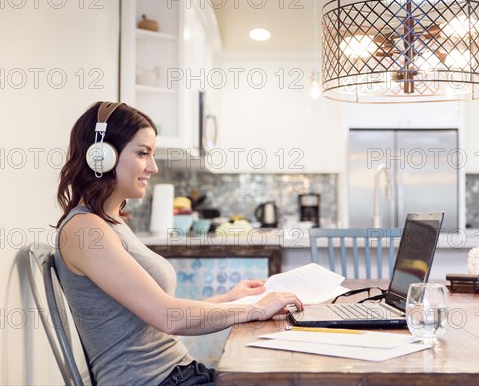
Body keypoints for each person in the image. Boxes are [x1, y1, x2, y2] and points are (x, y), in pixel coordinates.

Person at [54, 101, 303, 386]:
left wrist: (229, 299)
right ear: (101, 156)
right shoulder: (85, 230)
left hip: (179, 375)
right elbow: (168, 317)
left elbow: (157, 318)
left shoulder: (111, 222)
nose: (153, 167)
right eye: (143, 153)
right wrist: (255, 309)